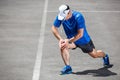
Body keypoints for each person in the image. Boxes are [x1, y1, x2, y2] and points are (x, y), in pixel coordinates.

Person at [51, 4, 110, 74]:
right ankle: (68, 67)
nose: (63, 18)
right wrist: (60, 39)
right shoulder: (61, 16)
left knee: (95, 55)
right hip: (72, 40)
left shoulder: (78, 16)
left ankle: (105, 56)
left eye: (64, 17)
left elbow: (80, 34)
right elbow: (54, 28)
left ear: (69, 12)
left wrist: (68, 41)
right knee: (63, 46)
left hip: (83, 40)